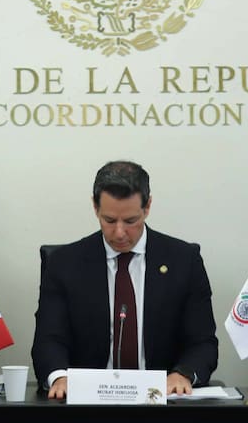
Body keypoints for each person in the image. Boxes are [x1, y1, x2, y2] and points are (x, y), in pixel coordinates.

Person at [31, 160, 218, 399]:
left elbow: (202, 342)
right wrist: (60, 377)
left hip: (161, 401)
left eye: (130, 221)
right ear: (95, 207)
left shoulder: (184, 261)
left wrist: (183, 374)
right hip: (87, 403)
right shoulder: (64, 264)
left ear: (147, 207)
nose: (119, 233)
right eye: (109, 220)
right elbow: (48, 339)